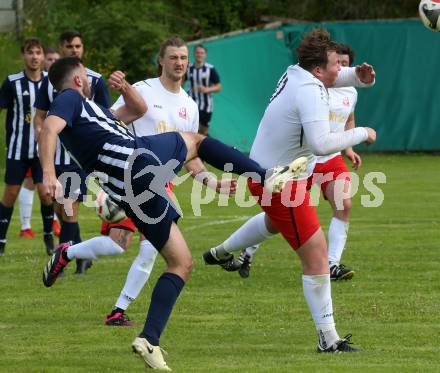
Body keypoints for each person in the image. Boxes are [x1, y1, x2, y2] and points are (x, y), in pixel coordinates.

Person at [39, 56, 302, 370]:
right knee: (196, 140)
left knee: (181, 263)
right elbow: (47, 130)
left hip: (132, 194)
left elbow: (137, 110)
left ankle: (149, 339)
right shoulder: (69, 98)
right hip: (136, 162)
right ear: (79, 80)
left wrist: (123, 87)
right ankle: (265, 176)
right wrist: (48, 174)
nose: (91, 79)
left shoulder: (91, 115)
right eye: (86, 74)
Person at [202, 29, 376, 353]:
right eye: (335, 65)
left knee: (272, 225)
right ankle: (329, 339)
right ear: (318, 70)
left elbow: (333, 78)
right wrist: (362, 132)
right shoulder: (309, 89)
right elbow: (321, 143)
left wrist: (358, 76)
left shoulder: (298, 72)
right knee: (317, 256)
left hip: (274, 174)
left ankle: (221, 252)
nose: (341, 70)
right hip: (279, 182)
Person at [103, 37, 237, 326]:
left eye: (183, 58)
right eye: (173, 57)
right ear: (161, 61)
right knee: (137, 246)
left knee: (147, 247)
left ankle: (116, 308)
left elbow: (190, 154)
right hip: (132, 178)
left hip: (160, 185)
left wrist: (213, 183)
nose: (179, 63)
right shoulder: (141, 90)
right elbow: (110, 124)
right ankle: (119, 309)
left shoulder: (189, 105)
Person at [225, 43, 363, 281]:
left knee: (344, 205)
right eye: (336, 63)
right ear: (323, 67)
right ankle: (247, 249)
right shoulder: (315, 87)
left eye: (344, 63)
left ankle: (332, 264)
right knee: (277, 218)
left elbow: (348, 119)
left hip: (330, 158)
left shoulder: (351, 91)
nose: (340, 68)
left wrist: (348, 147)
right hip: (303, 161)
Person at [34, 30, 111, 274]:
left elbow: (107, 118)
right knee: (59, 206)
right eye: (69, 46)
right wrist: (42, 134)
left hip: (78, 157)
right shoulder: (50, 80)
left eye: (78, 46)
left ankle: (64, 262)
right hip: (54, 153)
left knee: (69, 206)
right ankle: (81, 255)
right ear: (62, 48)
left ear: (83, 48)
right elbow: (39, 116)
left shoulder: (95, 80)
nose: (74, 50)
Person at [0, 38, 55, 257]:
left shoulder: (51, 82)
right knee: (10, 194)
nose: (34, 57)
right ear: (23, 55)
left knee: (46, 194)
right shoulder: (12, 82)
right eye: (30, 52)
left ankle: (49, 238)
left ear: (42, 56)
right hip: (17, 149)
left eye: (38, 52)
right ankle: (1, 241)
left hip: (42, 150)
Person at [18, 46, 61, 240]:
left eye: (55, 60)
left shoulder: (62, 82)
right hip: (29, 143)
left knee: (53, 185)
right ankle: (26, 226)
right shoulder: (39, 83)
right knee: (32, 182)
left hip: (58, 143)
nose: (52, 62)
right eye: (49, 59)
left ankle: (54, 221)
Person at [186, 44, 221, 135]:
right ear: (194, 54)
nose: (199, 55)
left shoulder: (210, 69)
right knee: (191, 128)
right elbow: (181, 81)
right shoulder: (189, 68)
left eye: (202, 53)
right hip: (191, 103)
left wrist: (207, 90)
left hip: (206, 105)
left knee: (204, 131)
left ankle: (202, 147)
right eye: (197, 52)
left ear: (205, 55)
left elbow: (218, 86)